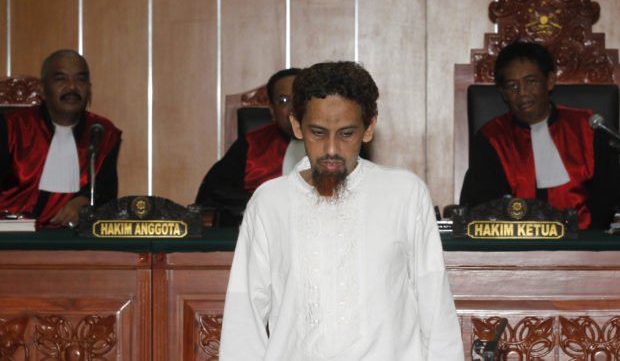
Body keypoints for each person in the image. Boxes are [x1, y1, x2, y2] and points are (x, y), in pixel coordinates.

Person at [219, 61, 464, 360]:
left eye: (346, 134)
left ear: (369, 127)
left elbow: (436, 310)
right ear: (297, 126)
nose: (332, 149)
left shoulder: (405, 194)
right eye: (318, 133)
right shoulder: (269, 202)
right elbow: (244, 320)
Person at [460, 40, 620, 229]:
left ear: (550, 81)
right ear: (503, 93)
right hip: (515, 248)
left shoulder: (588, 130)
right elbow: (481, 208)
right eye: (512, 86)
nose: (523, 93)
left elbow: (607, 199)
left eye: (531, 82)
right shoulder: (492, 138)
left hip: (584, 246)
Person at [0, 49, 122, 228]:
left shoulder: (102, 133)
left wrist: (86, 201)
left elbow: (106, 194)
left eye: (80, 80)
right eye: (61, 79)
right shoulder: (10, 127)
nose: (72, 87)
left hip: (70, 242)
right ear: (42, 90)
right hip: (10, 237)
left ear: (89, 89)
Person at [195, 68, 304, 225]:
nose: (294, 108)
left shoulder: (333, 143)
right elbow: (212, 197)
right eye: (284, 101)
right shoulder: (251, 144)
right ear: (272, 111)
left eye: (300, 99)